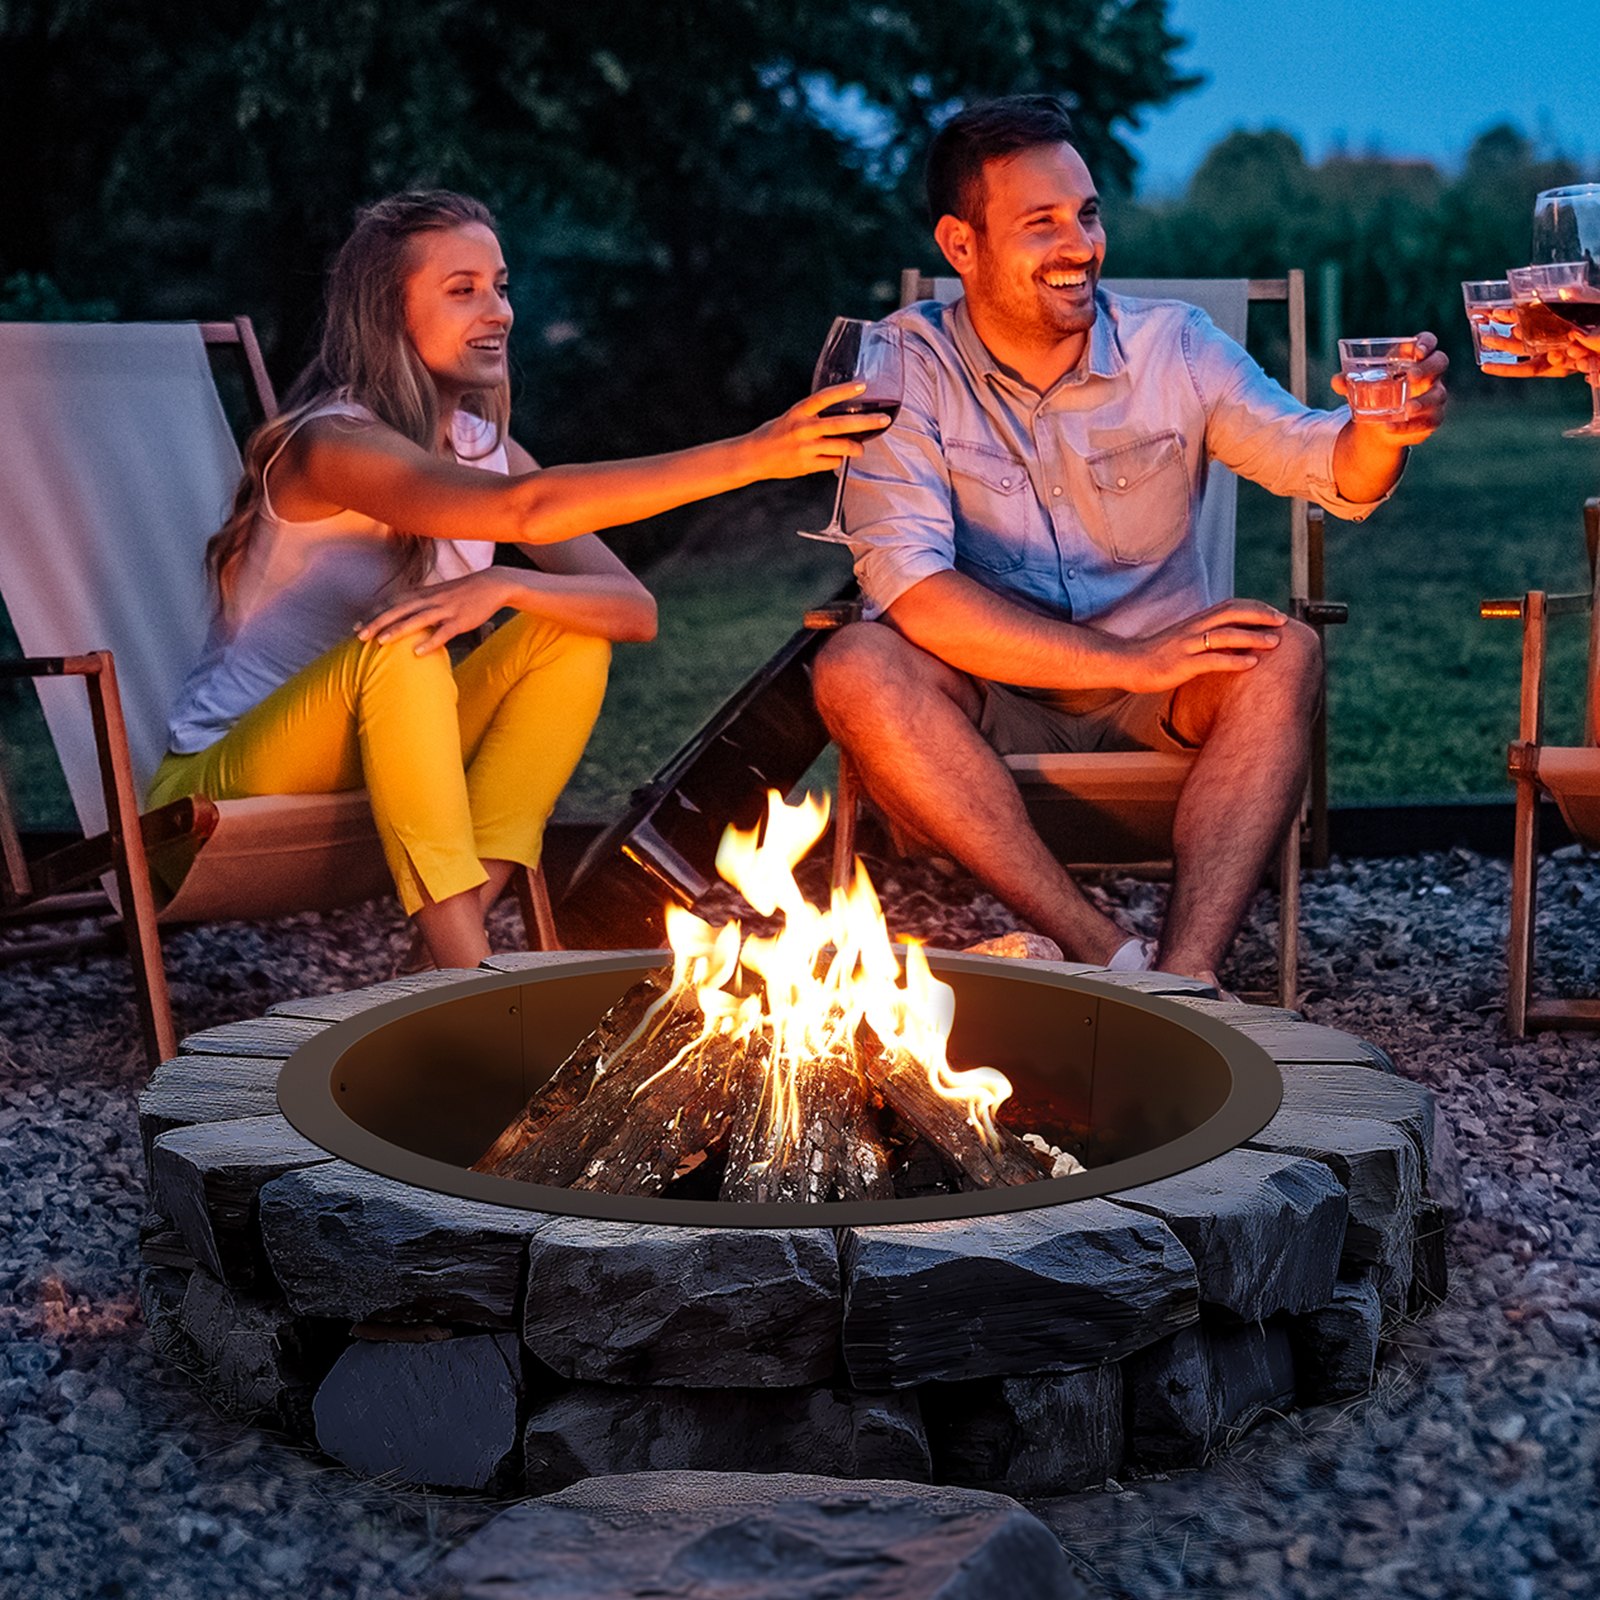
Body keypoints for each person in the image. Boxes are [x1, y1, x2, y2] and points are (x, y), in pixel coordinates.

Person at [150, 190, 885, 972]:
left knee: (569, 638)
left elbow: (632, 610)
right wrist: (750, 455)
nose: (497, 310)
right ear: (387, 313)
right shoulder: (331, 444)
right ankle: (472, 981)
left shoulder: (482, 445)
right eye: (461, 289)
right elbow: (524, 512)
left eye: (500, 286)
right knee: (405, 646)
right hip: (224, 787)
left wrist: (510, 589)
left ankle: (450, 954)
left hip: (379, 758)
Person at [812, 97, 1448, 989]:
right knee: (855, 664)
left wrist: (1384, 430)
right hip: (987, 702)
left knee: (1282, 651)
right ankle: (1103, 951)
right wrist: (1130, 657)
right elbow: (917, 595)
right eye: (1042, 224)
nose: (1080, 245)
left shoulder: (1173, 346)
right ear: (961, 246)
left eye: (1089, 213)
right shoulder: (901, 368)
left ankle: (1184, 984)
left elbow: (1324, 462)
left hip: (1164, 711)